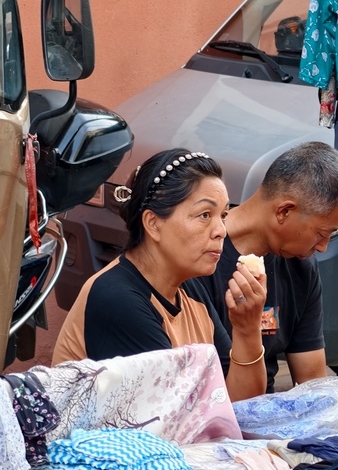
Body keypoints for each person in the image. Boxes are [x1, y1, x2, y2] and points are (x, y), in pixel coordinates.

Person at [52, 148, 267, 402]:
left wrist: (247, 329)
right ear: (153, 224)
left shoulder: (190, 289)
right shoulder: (118, 299)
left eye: (223, 216)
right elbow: (177, 416)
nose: (221, 230)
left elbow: (242, 405)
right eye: (205, 215)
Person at [194, 141, 338, 392]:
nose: (323, 247)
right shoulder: (199, 258)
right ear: (284, 211)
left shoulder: (301, 268)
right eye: (321, 233)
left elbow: (312, 384)